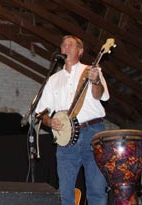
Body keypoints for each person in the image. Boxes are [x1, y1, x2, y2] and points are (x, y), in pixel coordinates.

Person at [35, 35, 109, 205]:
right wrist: (50, 121)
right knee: (65, 192)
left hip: (93, 132)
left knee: (96, 189)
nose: (66, 48)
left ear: (80, 51)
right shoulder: (53, 80)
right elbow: (41, 112)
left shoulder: (92, 70)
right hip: (65, 138)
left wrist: (96, 80)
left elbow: (100, 95)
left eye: (71, 45)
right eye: (63, 45)